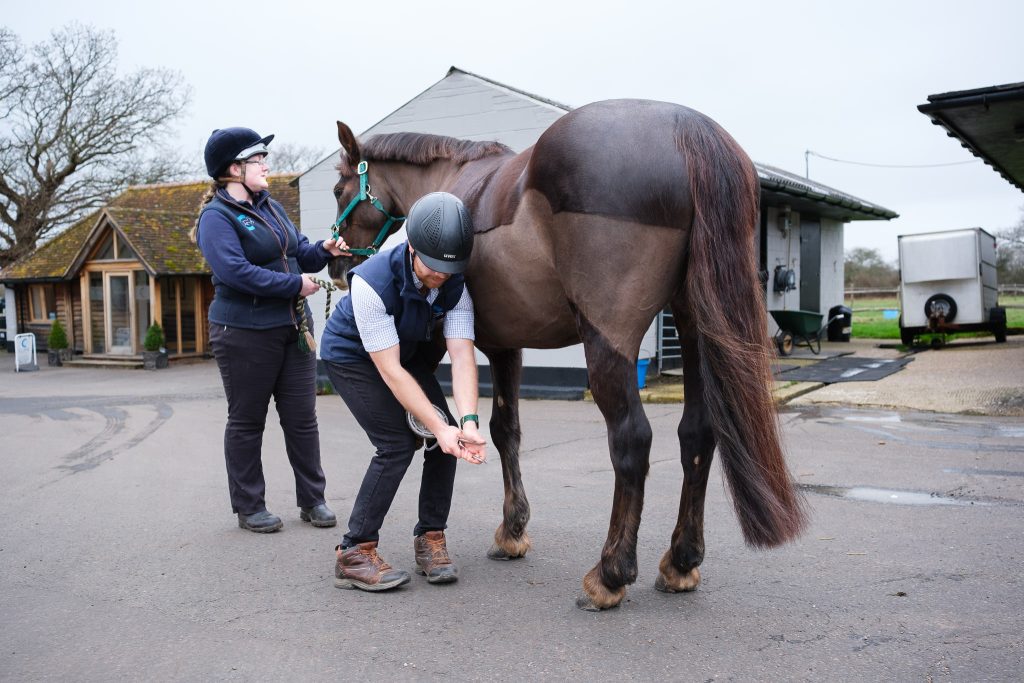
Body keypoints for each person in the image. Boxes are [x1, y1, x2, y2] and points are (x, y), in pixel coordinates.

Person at [320, 191, 487, 592]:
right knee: (397, 444)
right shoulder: (372, 283)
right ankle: (354, 551)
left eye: (450, 269)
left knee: (445, 434)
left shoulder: (454, 284)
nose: (441, 277)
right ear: (412, 247)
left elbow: (462, 355)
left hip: (403, 352)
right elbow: (390, 371)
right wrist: (440, 427)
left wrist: (467, 423)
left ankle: (430, 538)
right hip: (353, 356)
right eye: (432, 268)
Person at [192, 127, 347, 533]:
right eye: (258, 159)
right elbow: (236, 273)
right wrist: (295, 285)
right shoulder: (216, 217)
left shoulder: (271, 206)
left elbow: (299, 253)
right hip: (244, 333)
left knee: (302, 419)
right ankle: (249, 506)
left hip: (293, 328)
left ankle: (313, 500)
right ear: (233, 169)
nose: (266, 165)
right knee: (247, 422)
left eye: (263, 158)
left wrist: (324, 251)